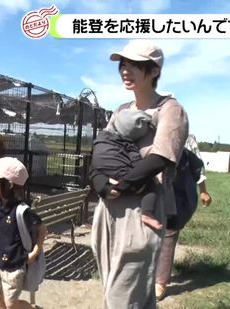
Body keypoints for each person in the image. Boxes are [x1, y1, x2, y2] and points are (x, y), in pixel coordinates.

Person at [91, 40, 189, 308]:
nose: (125, 70)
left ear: (154, 71)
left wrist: (121, 185)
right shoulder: (121, 111)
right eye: (123, 64)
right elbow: (102, 149)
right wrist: (99, 182)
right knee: (134, 297)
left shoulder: (170, 109)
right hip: (107, 210)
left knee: (120, 299)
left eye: (135, 65)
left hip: (141, 212)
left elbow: (161, 157)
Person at [0, 157, 47, 309]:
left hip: (14, 265)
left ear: (7, 184)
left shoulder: (22, 211)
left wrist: (34, 253)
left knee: (11, 304)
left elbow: (42, 229)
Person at [155, 134, 213, 300]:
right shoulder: (150, 130)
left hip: (179, 192)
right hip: (153, 189)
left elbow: (197, 166)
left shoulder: (186, 137)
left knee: (169, 233)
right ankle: (149, 274)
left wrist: (203, 191)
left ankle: (161, 281)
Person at [91, 109, 163, 230]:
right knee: (151, 185)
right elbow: (137, 163)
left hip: (102, 170)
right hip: (123, 176)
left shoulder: (101, 137)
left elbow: (94, 157)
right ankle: (147, 213)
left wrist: (99, 177)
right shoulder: (128, 144)